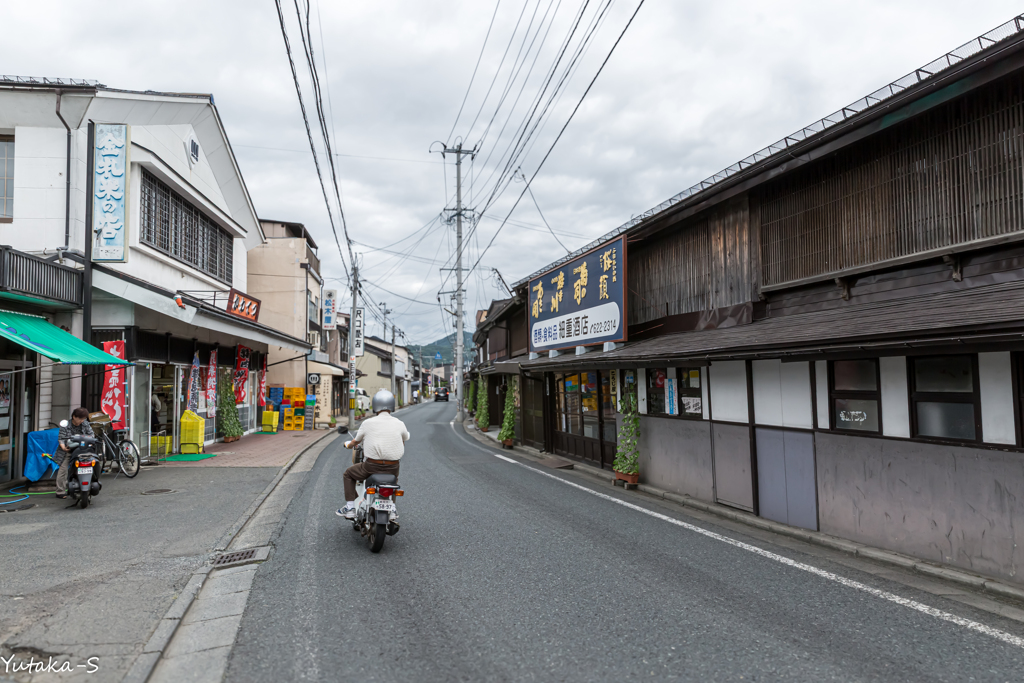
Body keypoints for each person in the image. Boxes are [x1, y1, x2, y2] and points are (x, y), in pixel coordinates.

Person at [336, 389, 409, 519]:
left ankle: (350, 507)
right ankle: (392, 508)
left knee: (348, 474)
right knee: (393, 481)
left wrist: (349, 445)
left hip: (371, 466)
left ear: (375, 405)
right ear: (391, 405)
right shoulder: (400, 423)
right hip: (393, 467)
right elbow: (405, 438)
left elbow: (356, 441)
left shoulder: (367, 423)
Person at [55, 407, 95, 499]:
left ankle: (90, 485)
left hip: (83, 449)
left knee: (92, 463)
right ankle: (60, 491)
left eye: (83, 419)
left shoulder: (85, 424)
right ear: (74, 417)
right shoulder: (66, 425)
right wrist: (63, 447)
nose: (82, 421)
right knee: (63, 469)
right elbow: (61, 438)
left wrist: (90, 441)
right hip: (69, 450)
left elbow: (91, 435)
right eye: (80, 419)